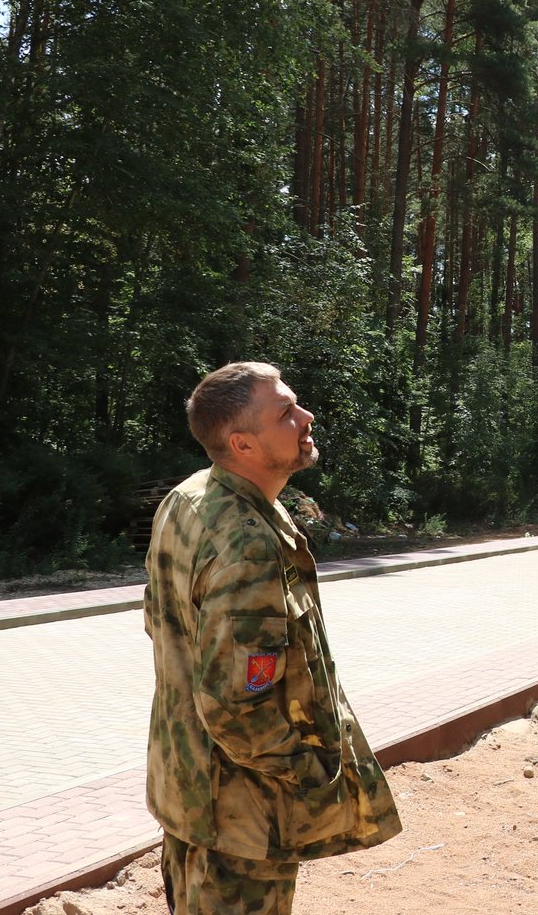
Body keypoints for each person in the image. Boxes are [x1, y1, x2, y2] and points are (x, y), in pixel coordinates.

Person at [145, 362, 400, 914]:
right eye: (286, 413)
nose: (306, 417)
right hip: (241, 816)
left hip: (189, 788)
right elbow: (236, 706)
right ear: (242, 443)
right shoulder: (246, 540)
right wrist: (309, 773)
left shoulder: (189, 500)